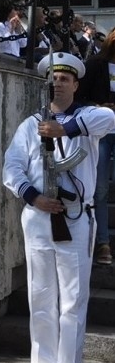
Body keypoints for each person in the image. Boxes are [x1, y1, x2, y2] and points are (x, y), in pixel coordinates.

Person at [3, 52, 115, 363]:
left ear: (76, 83)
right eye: (53, 77)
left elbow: (111, 116)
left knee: (72, 301)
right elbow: (11, 168)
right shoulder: (29, 125)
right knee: (40, 297)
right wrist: (34, 197)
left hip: (75, 218)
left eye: (65, 78)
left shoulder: (87, 119)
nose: (58, 82)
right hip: (38, 218)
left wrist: (62, 128)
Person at [76, 29, 115, 266]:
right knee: (99, 190)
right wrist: (99, 106)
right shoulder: (95, 65)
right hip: (101, 134)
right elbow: (79, 99)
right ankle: (103, 244)